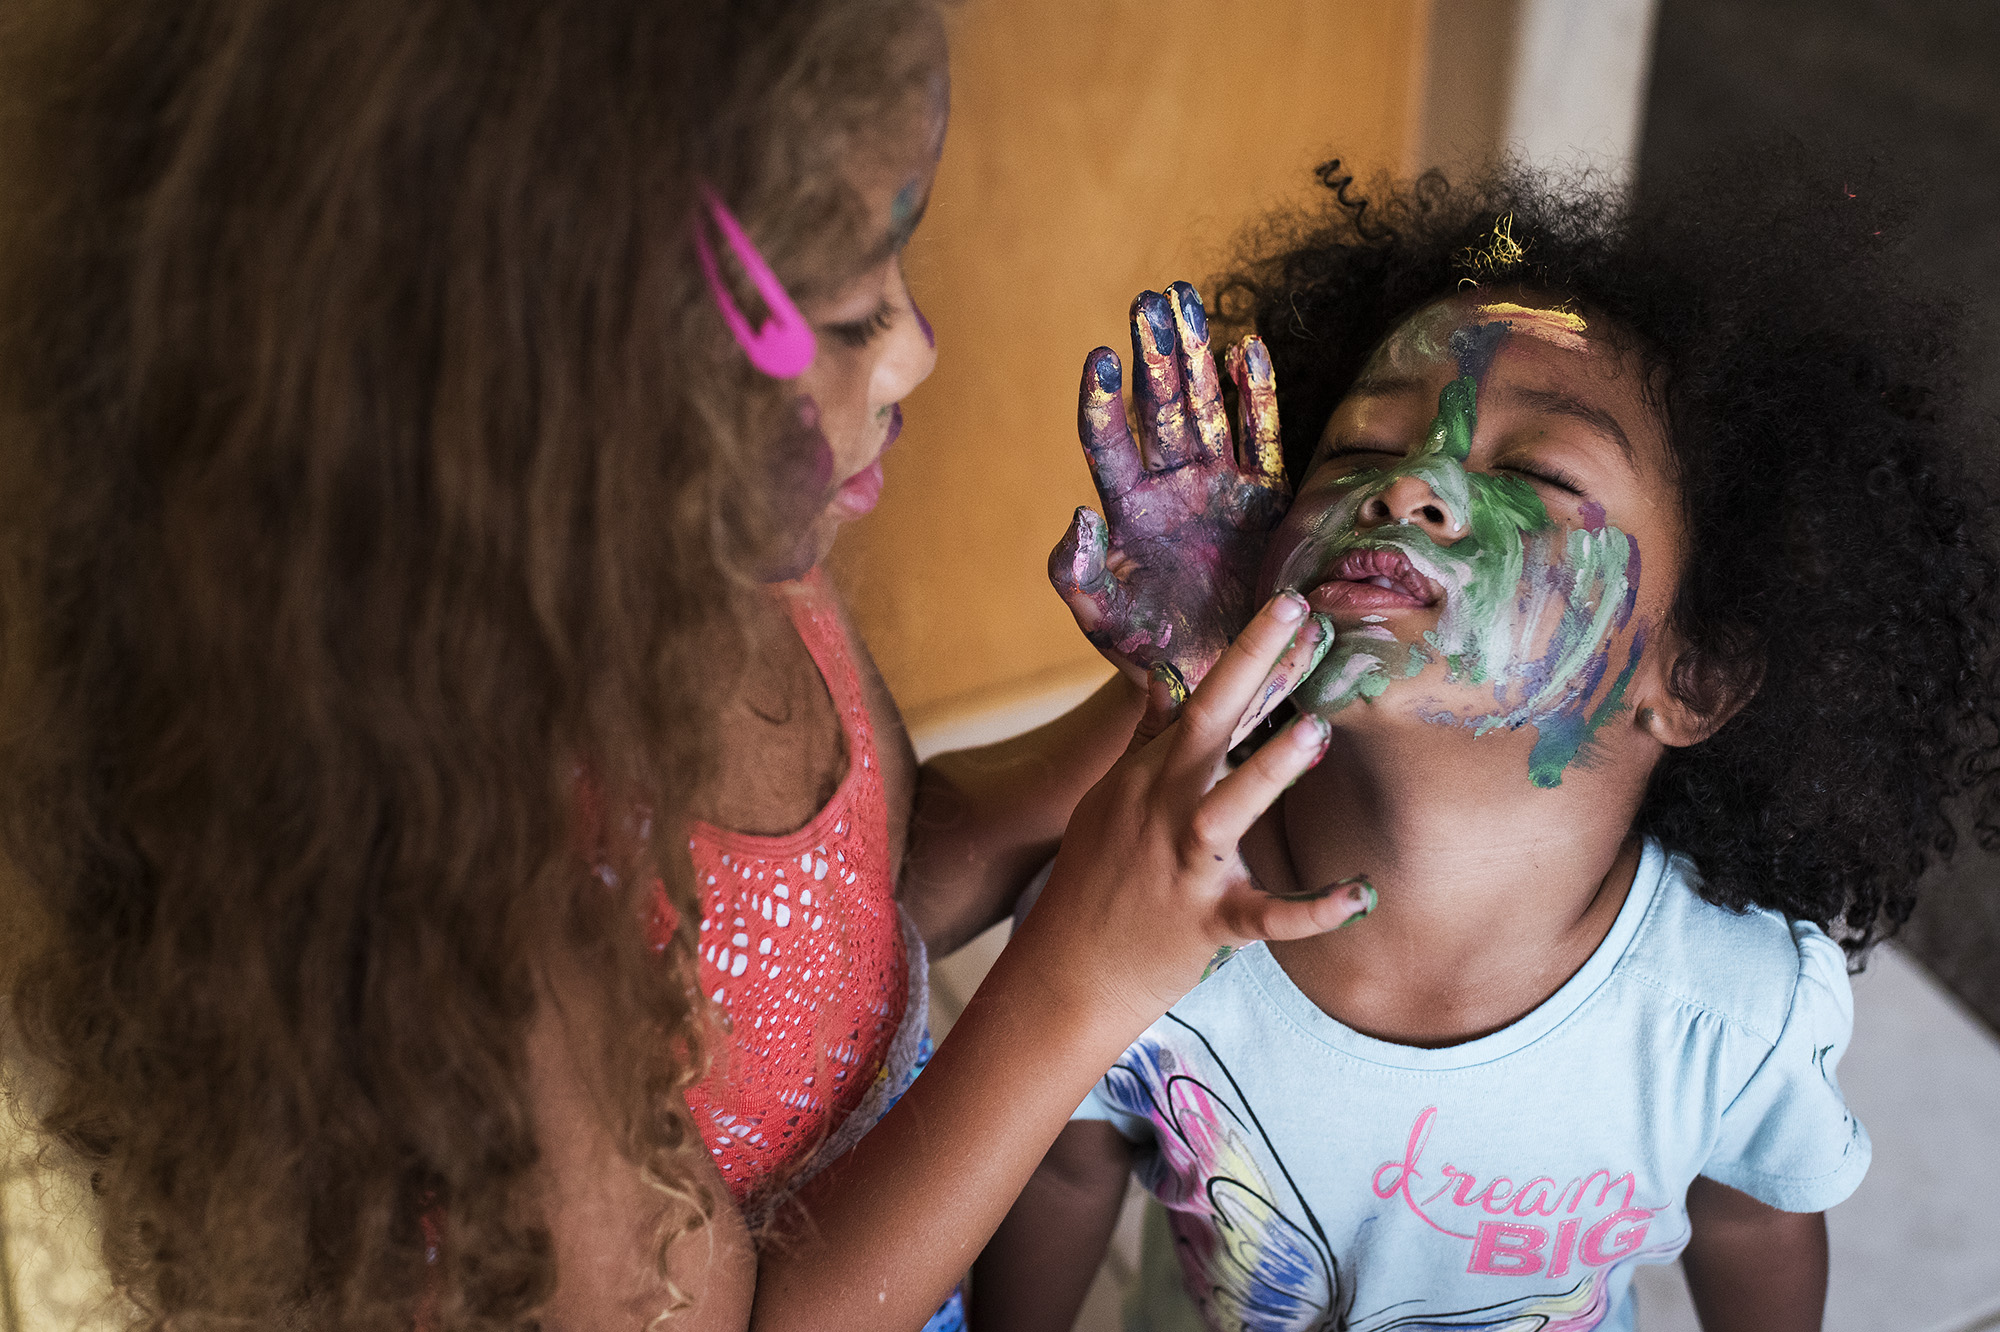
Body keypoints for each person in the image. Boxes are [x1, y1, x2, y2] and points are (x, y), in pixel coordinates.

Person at [0, 3, 1364, 1331]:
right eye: (846, 314)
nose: (916, 349)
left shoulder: (714, 558)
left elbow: (850, 920)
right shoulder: (484, 908)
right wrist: (1078, 984)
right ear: (570, 397)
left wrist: (1167, 705)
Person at [975, 152, 2000, 1331]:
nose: (1408, 488)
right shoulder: (1135, 909)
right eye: (1357, 451)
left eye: (1531, 469)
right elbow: (1060, 1169)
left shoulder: (1726, 1009)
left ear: (1691, 678)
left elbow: (1752, 1224)